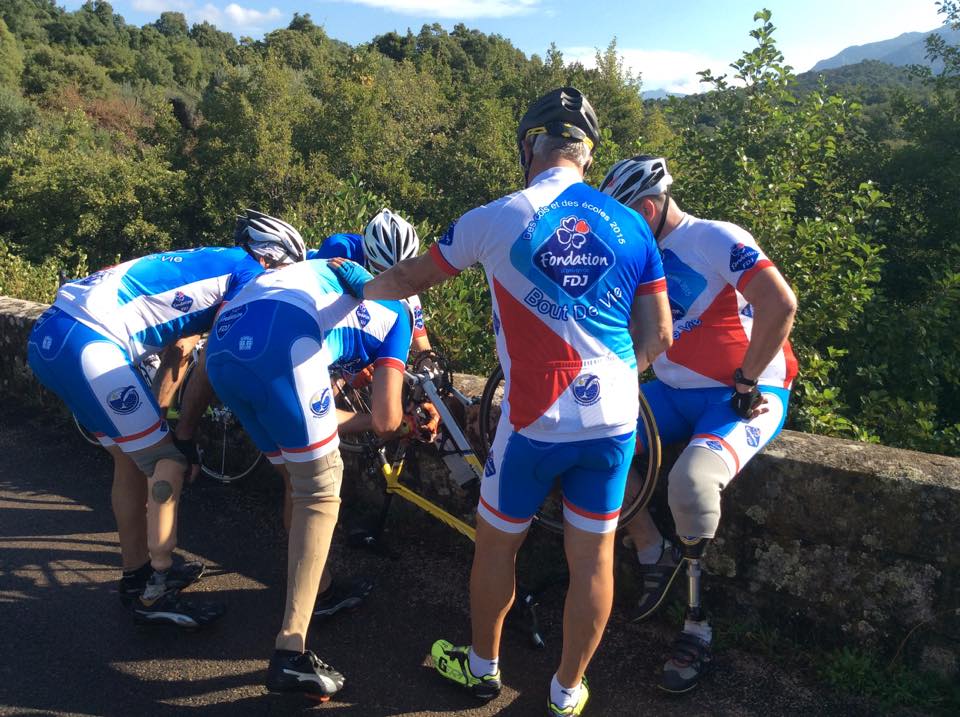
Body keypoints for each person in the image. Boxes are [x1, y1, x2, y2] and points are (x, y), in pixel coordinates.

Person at [331, 87, 673, 717]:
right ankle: (568, 692)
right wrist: (619, 373)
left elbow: (407, 280)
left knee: (496, 546)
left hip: (534, 418)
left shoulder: (495, 216)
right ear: (588, 155)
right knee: (593, 556)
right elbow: (659, 336)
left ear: (528, 146)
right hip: (615, 416)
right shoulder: (631, 224)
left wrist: (351, 293)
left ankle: (482, 670)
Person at [26, 209, 305, 628]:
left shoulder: (212, 261)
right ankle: (155, 591)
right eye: (285, 270)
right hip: (90, 345)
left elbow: (179, 349)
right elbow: (217, 354)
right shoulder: (247, 273)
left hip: (51, 336)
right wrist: (177, 437)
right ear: (271, 258)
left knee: (130, 459)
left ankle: (137, 574)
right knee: (166, 461)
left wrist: (153, 421)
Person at [599, 155, 798, 693]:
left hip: (743, 393)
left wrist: (748, 380)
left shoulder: (714, 238)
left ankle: (697, 626)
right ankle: (652, 552)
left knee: (691, 483)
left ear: (646, 207)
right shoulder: (639, 256)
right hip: (672, 391)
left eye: (621, 221)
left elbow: (780, 304)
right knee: (586, 443)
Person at [204, 258, 413, 701]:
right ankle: (290, 651)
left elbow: (320, 414)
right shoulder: (401, 315)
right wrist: (409, 424)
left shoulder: (329, 271)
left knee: (296, 479)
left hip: (223, 348)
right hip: (286, 340)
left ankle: (317, 585)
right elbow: (385, 419)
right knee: (321, 487)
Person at [308, 208, 432, 353]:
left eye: (399, 272)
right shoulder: (339, 249)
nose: (390, 279)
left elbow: (415, 321)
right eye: (382, 270)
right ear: (366, 254)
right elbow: (319, 312)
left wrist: (427, 356)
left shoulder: (403, 276)